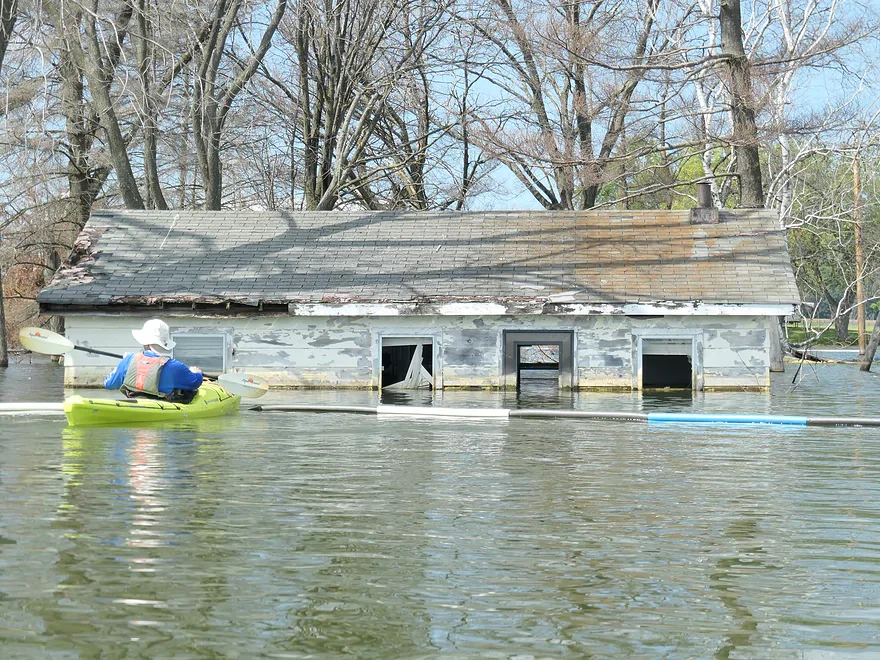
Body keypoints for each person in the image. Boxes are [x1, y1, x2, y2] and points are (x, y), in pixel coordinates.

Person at [104, 319, 203, 403]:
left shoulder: (129, 359)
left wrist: (124, 362)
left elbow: (108, 384)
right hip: (161, 405)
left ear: (145, 343)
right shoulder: (176, 366)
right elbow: (195, 382)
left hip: (135, 402)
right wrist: (197, 373)